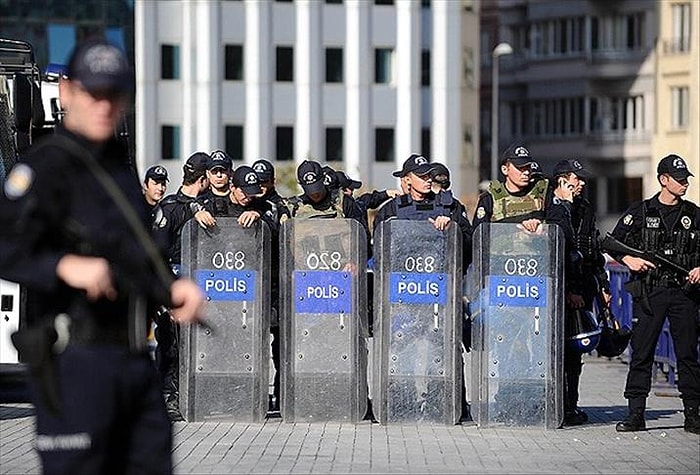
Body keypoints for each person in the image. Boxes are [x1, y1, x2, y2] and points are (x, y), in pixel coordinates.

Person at [0, 38, 205, 474]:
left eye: (114, 94)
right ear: (69, 92)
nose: (104, 106)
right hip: (74, 363)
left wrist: (169, 288)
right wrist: (62, 265)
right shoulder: (44, 167)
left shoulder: (119, 168)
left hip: (133, 362)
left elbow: (130, 253)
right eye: (94, 93)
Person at [373, 154, 473, 422]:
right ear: (407, 180)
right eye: (422, 175)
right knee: (400, 349)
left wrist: (453, 230)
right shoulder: (390, 210)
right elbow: (380, 254)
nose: (428, 179)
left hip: (440, 297)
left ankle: (445, 404)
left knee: (443, 350)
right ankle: (400, 404)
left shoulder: (450, 208)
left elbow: (471, 247)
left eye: (430, 175)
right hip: (403, 297)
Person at [608, 154, 700, 434]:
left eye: (686, 179)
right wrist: (629, 261)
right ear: (664, 180)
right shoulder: (640, 212)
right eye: (679, 179)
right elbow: (612, 244)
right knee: (643, 353)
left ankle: (693, 415)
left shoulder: (694, 214)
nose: (684, 183)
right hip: (650, 291)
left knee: (687, 355)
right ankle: (636, 413)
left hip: (685, 293)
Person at [151, 151, 214, 421]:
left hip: (199, 290)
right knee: (172, 347)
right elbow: (155, 253)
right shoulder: (170, 208)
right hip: (173, 290)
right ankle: (168, 401)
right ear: (202, 179)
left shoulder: (206, 206)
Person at [552, 159, 610, 426]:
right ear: (563, 180)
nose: (582, 184)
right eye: (578, 179)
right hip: (558, 293)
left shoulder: (583, 209)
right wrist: (569, 290)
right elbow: (562, 255)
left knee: (575, 353)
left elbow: (592, 251)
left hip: (582, 290)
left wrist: (603, 286)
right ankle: (554, 406)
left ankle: (570, 406)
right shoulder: (549, 207)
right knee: (555, 352)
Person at [251, 158, 286, 414]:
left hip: (277, 284)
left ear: (272, 181)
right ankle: (253, 395)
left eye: (265, 182)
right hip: (252, 285)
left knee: (280, 345)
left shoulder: (279, 206)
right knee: (252, 343)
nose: (261, 186)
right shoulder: (246, 200)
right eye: (257, 181)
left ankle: (282, 394)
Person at [199, 149, 233, 216]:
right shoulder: (200, 202)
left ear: (230, 172)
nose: (219, 175)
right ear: (208, 174)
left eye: (223, 171)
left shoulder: (240, 199)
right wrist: (197, 213)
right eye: (214, 171)